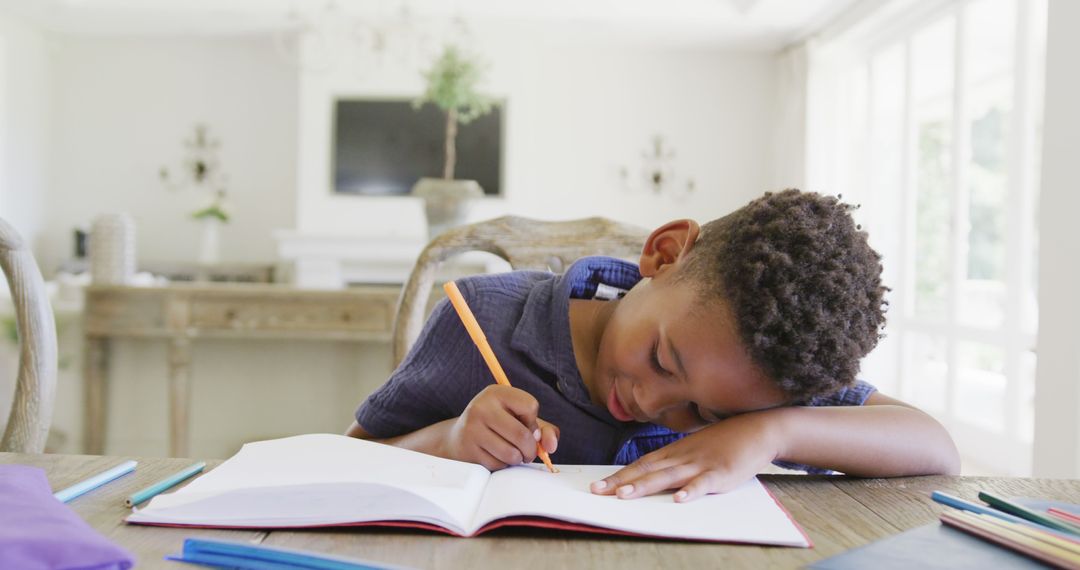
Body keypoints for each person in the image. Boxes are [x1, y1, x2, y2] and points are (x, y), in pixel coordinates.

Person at [345, 189, 960, 502]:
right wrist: (450, 441)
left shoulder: (759, 388)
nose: (651, 401)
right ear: (663, 255)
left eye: (704, 415)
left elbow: (935, 447)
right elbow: (350, 458)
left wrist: (768, 434)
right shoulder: (481, 318)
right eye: (663, 359)